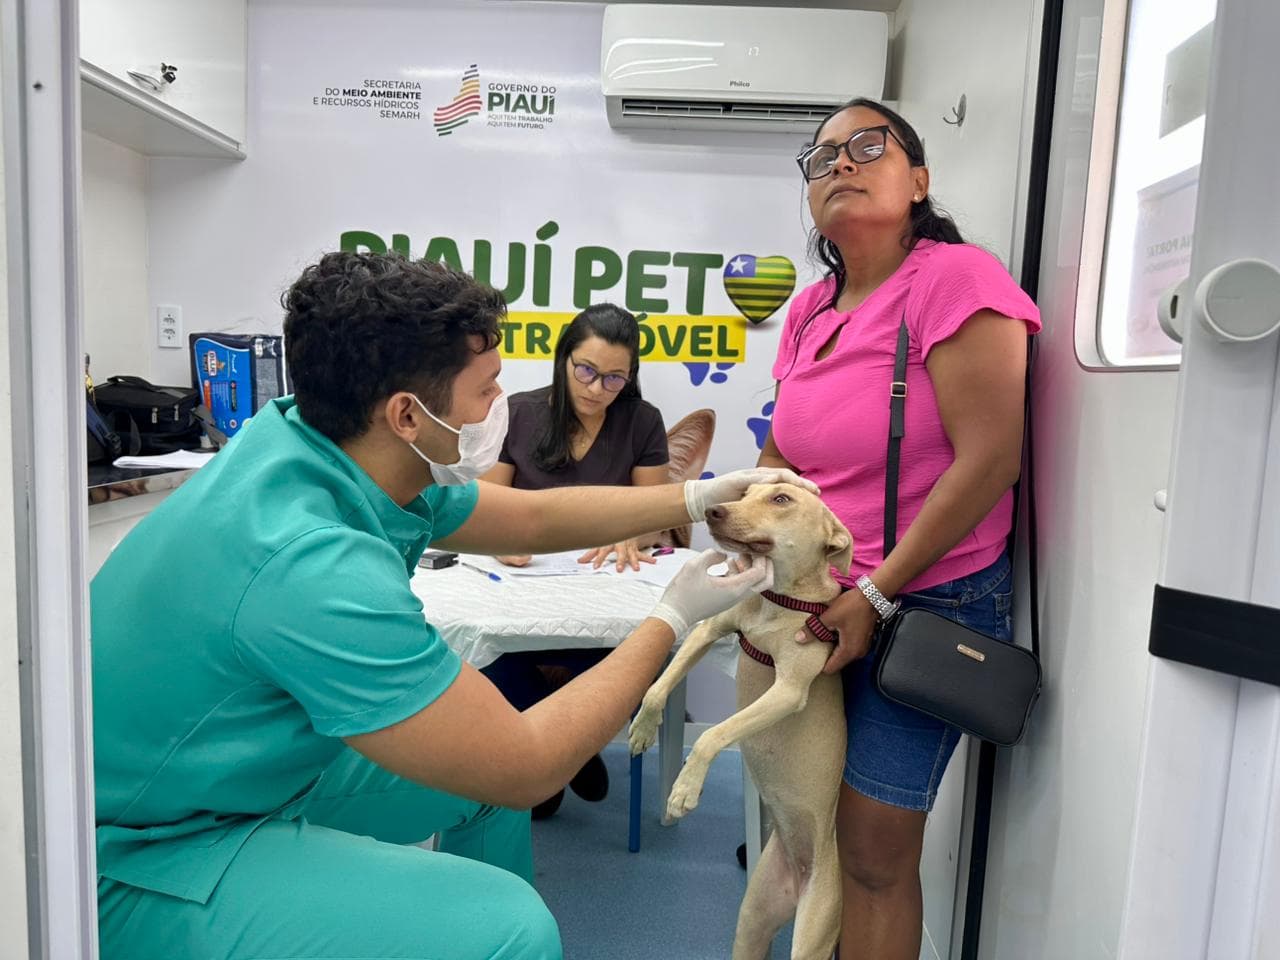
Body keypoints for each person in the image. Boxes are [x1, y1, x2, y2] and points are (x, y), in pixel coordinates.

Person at [92, 252, 812, 960]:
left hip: (239, 769)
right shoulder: (310, 560)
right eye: (488, 388)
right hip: (142, 849)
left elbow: (528, 519)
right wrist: (671, 617)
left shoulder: (317, 443)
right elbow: (528, 763)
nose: (502, 406)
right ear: (408, 413)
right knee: (509, 924)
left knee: (481, 790)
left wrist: (694, 496)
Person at [757, 98, 1041, 958]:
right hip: (817, 598)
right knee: (810, 831)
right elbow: (783, 455)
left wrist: (874, 596)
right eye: (822, 157)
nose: (840, 163)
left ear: (918, 179)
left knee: (875, 851)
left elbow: (991, 461)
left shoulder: (956, 279)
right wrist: (747, 556)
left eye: (867, 146)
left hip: (926, 603)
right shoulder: (809, 311)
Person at [480, 303, 667, 817]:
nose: (595, 387)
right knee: (488, 655)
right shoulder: (518, 412)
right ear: (563, 358)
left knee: (633, 655)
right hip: (523, 590)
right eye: (585, 370)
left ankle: (557, 754)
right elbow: (485, 506)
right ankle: (571, 754)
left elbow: (654, 514)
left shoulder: (642, 420)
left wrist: (635, 532)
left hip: (602, 593)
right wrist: (498, 539)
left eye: (613, 379)